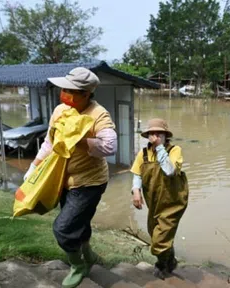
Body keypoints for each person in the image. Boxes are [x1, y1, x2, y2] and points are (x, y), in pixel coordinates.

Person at [24, 67, 117, 288]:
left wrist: (80, 140)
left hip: (90, 182)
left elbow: (110, 146)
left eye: (71, 90)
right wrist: (33, 167)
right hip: (63, 178)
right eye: (64, 89)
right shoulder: (60, 111)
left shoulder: (98, 115)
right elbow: (50, 142)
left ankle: (78, 265)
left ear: (86, 94)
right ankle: (88, 254)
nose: (65, 94)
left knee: (63, 228)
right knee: (79, 221)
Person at [130, 118, 189, 279]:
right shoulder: (143, 154)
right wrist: (136, 191)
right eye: (152, 133)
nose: (155, 136)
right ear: (147, 136)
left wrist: (160, 148)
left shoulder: (174, 150)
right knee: (155, 232)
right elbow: (137, 174)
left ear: (165, 136)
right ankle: (171, 262)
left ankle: (162, 265)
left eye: (159, 134)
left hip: (173, 202)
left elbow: (169, 170)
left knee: (159, 240)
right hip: (154, 203)